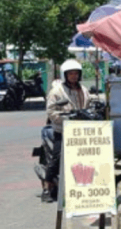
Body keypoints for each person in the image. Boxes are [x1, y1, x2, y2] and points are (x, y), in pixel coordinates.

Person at [43, 59, 92, 202]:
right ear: (65, 75)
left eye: (76, 73)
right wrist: (67, 120)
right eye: (70, 74)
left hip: (81, 131)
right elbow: (51, 111)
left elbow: (89, 105)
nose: (74, 76)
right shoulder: (57, 91)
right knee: (57, 158)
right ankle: (47, 188)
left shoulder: (84, 90)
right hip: (63, 131)